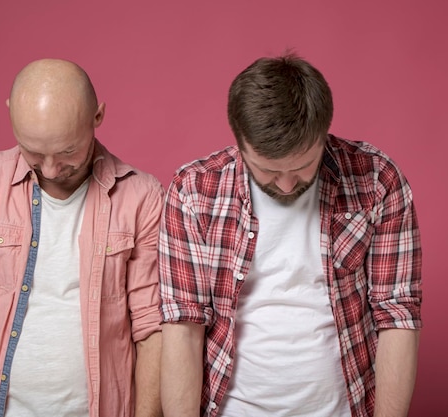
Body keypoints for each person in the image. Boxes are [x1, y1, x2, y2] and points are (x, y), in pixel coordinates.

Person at [159, 52, 422, 417]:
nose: (285, 184)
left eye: (302, 166)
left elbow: (397, 317)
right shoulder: (193, 191)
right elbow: (183, 326)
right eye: (267, 170)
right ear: (240, 142)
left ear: (324, 134)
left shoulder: (377, 180)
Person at [0, 59, 164, 417]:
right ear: (10, 115)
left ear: (97, 117)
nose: (50, 169)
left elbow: (153, 330)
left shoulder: (143, 198)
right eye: (33, 151)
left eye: (68, 151)